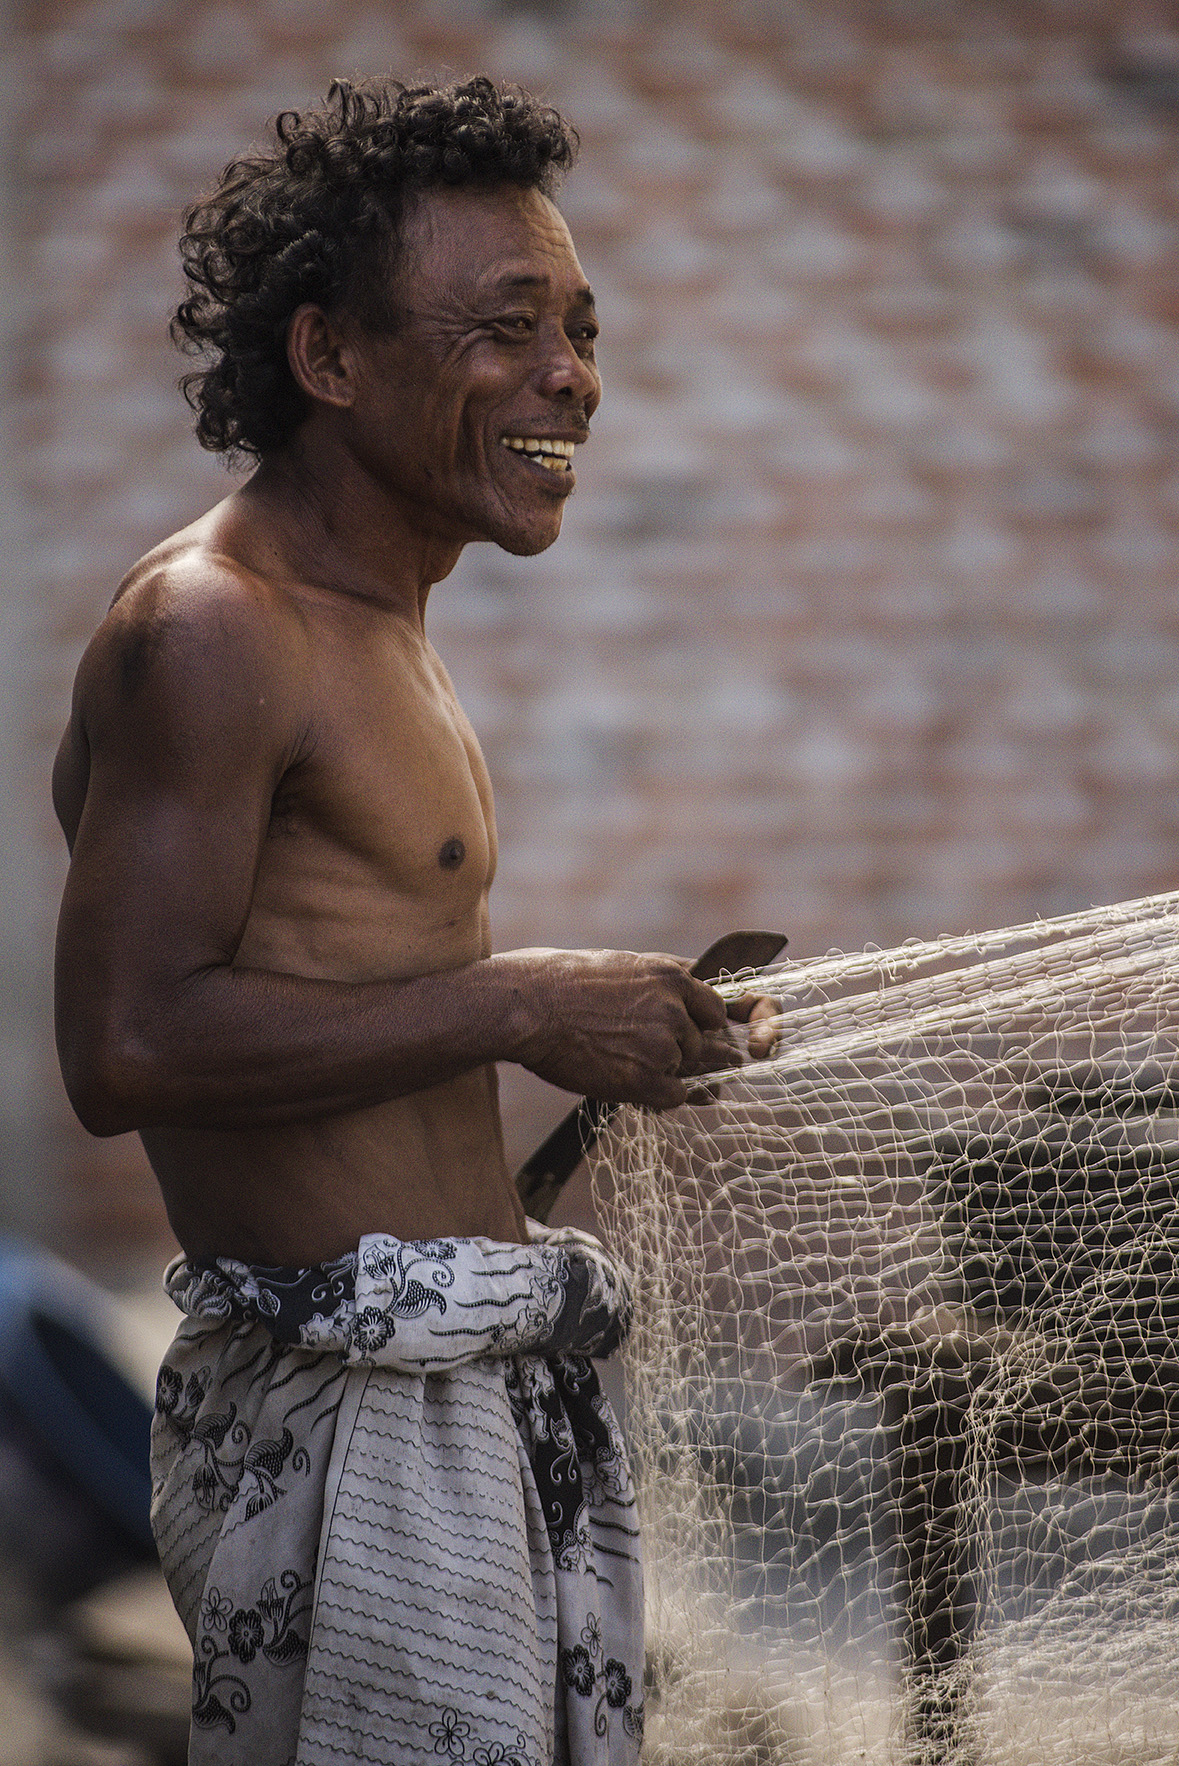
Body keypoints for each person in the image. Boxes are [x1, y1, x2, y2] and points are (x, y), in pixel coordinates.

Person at [53, 77, 776, 1766]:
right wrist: (521, 1004)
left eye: (581, 329)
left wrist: (609, 1034)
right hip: (354, 1435)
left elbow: (359, 1021)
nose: (569, 379)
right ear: (329, 359)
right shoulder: (219, 628)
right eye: (506, 328)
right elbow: (125, 1045)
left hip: (470, 1402)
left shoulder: (387, 627)